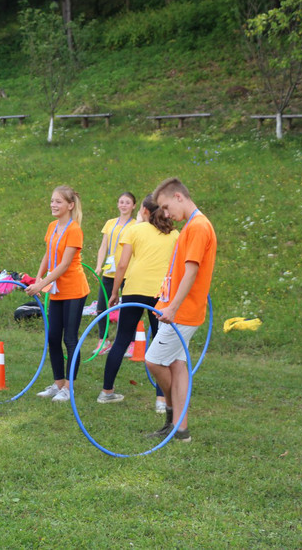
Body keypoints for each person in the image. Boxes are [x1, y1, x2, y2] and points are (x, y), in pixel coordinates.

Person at [145, 177, 217, 443]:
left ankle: (173, 413)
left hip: (183, 313)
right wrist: (165, 301)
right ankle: (180, 429)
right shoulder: (192, 226)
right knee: (177, 364)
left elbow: (191, 272)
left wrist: (173, 308)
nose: (165, 214)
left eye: (165, 207)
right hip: (179, 309)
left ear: (178, 197)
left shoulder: (198, 226)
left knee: (153, 361)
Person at [100, 194, 178, 408]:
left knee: (122, 340)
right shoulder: (174, 234)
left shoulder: (134, 230)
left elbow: (122, 265)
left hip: (134, 288)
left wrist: (114, 292)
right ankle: (162, 400)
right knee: (160, 344)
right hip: (160, 294)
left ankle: (106, 392)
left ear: (144, 210)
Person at [25, 185, 89, 403]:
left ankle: (69, 388)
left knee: (70, 338)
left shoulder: (74, 230)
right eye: (52, 200)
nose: (53, 205)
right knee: (53, 337)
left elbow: (64, 265)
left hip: (74, 290)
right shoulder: (52, 226)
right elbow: (48, 254)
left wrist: (42, 283)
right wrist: (37, 278)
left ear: (70, 205)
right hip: (56, 290)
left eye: (58, 201)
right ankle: (58, 383)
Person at [91, 192, 138, 353]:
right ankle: (103, 341)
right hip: (109, 271)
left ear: (133, 206)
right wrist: (99, 265)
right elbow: (103, 246)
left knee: (128, 309)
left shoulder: (136, 225)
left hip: (128, 272)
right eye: (121, 202)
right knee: (102, 307)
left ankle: (130, 343)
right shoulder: (110, 223)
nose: (123, 205)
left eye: (127, 202)